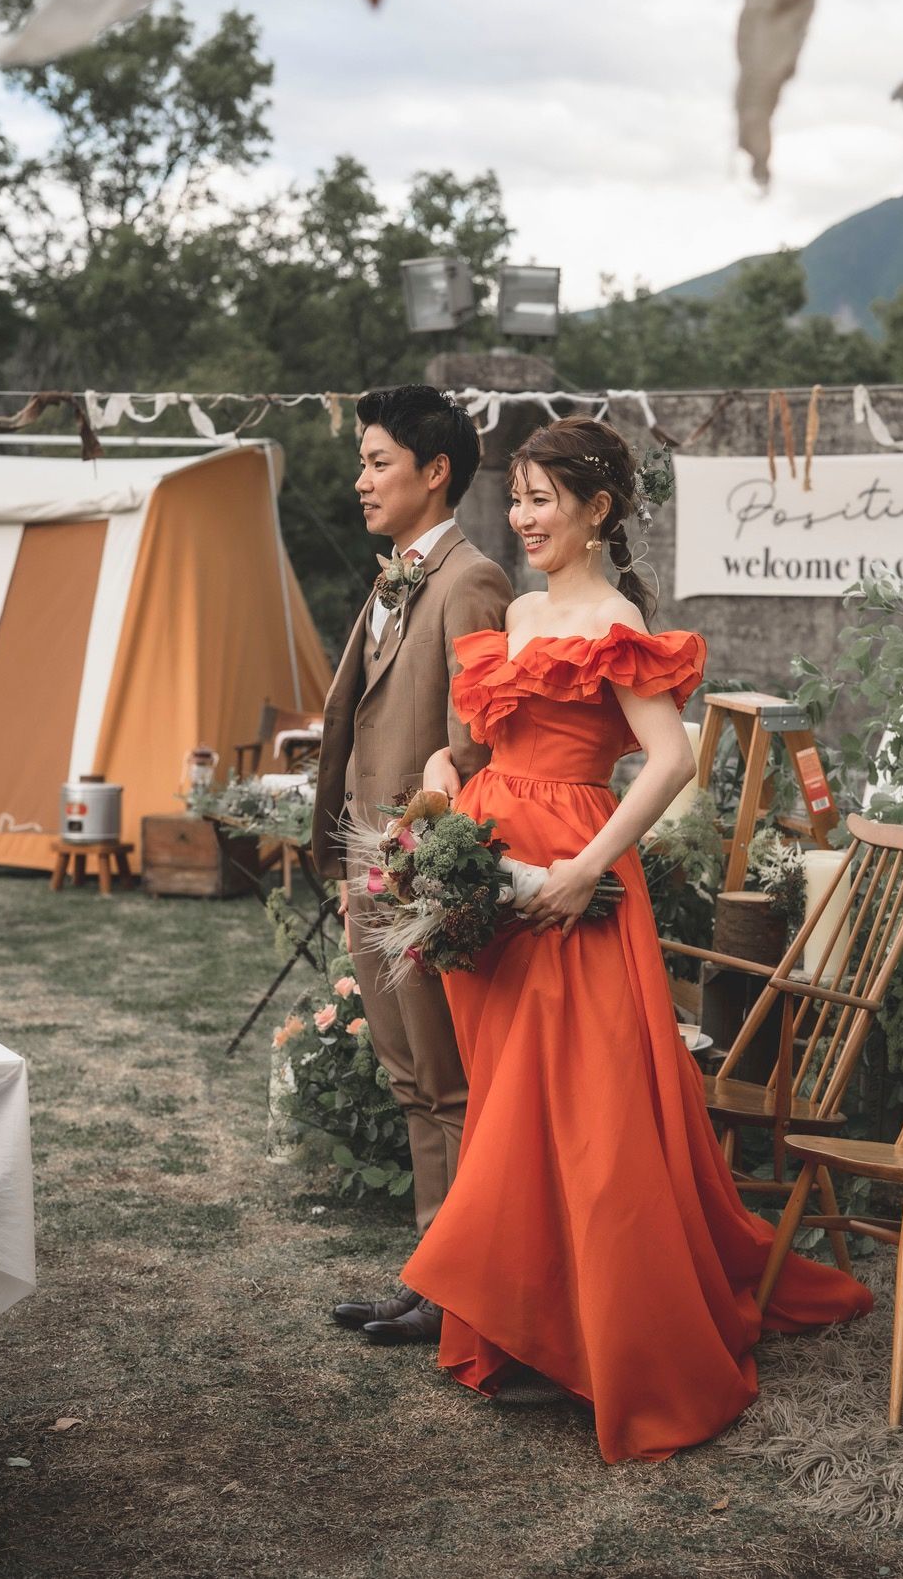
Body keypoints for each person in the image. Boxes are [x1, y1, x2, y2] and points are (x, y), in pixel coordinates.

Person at [400, 415, 873, 1463]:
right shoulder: (518, 611)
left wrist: (584, 869)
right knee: (512, 1104)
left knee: (583, 1112)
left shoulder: (613, 621)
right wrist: (443, 774)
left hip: (570, 877)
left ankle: (604, 1336)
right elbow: (485, 743)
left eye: (541, 500)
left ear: (596, 508)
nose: (523, 518)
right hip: (491, 877)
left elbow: (668, 760)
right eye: (515, 499)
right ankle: (529, 1319)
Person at [311, 385, 514, 1345]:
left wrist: (418, 865)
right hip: (368, 865)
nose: (361, 480)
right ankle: (431, 1273)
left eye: (377, 461)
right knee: (408, 1079)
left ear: (436, 472)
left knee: (449, 1083)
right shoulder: (394, 575)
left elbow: (475, 746)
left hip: (420, 871)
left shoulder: (472, 580)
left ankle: (465, 1286)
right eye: (362, 462)